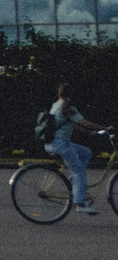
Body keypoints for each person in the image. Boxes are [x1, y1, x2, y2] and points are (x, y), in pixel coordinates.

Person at [44, 84, 103, 216]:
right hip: (61, 144)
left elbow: (73, 125)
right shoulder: (69, 108)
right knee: (79, 173)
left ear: (60, 94)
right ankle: (80, 204)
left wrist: (90, 133)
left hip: (51, 143)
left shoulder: (56, 105)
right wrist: (104, 128)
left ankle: (73, 180)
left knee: (86, 152)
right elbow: (84, 122)